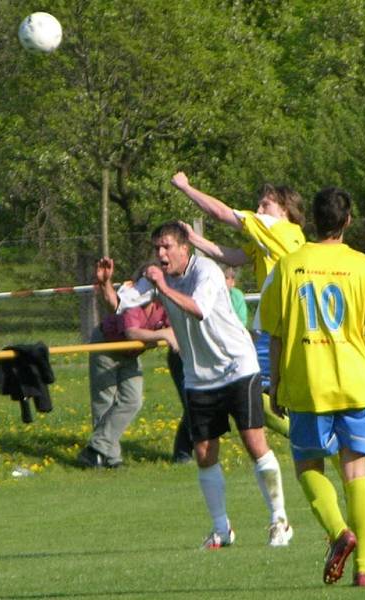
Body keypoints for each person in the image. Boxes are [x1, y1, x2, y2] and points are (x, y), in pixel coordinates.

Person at [260, 187, 365, 587]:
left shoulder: (287, 267)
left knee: (307, 467)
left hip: (309, 385)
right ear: (347, 221)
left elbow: (275, 333)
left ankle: (340, 533)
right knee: (357, 473)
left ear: (310, 222)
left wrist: (275, 384)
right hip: (355, 385)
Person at [142, 221, 293, 549]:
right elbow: (122, 302)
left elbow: (199, 309)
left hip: (237, 367)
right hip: (199, 377)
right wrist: (107, 286)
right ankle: (221, 529)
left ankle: (280, 520)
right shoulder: (158, 275)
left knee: (254, 443)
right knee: (204, 452)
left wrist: (163, 288)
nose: (161, 254)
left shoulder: (207, 272)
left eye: (167, 246)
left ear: (185, 248)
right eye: (157, 248)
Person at [171, 172, 305, 437]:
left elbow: (221, 213)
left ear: (285, 210)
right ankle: (307, 435)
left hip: (281, 324)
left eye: (265, 204)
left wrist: (186, 188)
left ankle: (302, 437)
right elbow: (233, 257)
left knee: (256, 389)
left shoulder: (274, 227)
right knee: (273, 389)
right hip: (284, 322)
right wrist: (195, 240)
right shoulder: (279, 237)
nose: (258, 210)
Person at [77, 257, 188, 469]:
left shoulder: (165, 303)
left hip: (131, 353)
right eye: (149, 278)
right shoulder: (133, 300)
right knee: (105, 401)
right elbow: (131, 331)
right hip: (107, 346)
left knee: (132, 400)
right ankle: (110, 458)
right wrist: (164, 334)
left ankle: (95, 449)